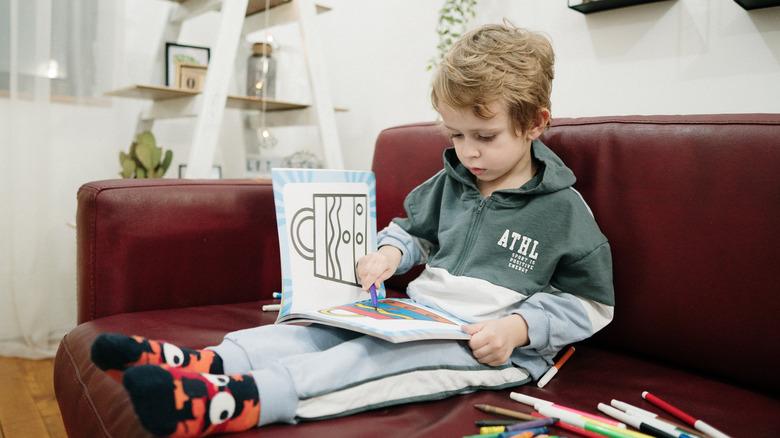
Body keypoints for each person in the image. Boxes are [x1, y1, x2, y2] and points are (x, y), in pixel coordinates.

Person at [89, 22, 614, 437]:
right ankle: (208, 361)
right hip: (420, 314)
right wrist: (389, 253)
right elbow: (413, 232)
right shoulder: (450, 181)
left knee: (367, 359)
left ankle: (238, 401)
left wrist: (519, 329)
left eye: (485, 135)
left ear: (535, 123)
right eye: (455, 134)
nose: (468, 151)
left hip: (486, 346)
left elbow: (592, 304)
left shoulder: (565, 211)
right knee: (321, 330)